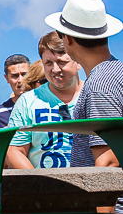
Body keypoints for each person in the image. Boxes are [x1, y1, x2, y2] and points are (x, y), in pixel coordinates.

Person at [44, 0, 123, 176]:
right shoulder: (115, 73)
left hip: (111, 203)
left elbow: (108, 161)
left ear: (68, 39)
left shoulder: (100, 86)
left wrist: (98, 205)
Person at [6, 31, 83, 169]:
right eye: (48, 63)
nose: (55, 69)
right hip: (44, 187)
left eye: (62, 62)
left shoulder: (95, 96)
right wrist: (39, 184)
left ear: (78, 62)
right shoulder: (27, 101)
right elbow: (14, 151)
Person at [0, 55, 31, 128]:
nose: (20, 80)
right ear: (6, 78)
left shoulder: (44, 106)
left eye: (24, 75)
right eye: (15, 76)